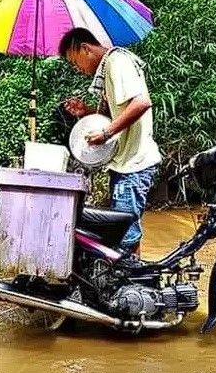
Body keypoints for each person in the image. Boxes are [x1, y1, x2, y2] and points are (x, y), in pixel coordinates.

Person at [59, 28, 162, 258]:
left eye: (76, 63)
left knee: (125, 236)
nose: (78, 69)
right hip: (125, 164)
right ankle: (136, 286)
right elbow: (117, 114)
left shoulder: (117, 62)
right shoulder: (109, 68)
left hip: (134, 165)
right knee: (126, 233)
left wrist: (106, 133)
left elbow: (141, 103)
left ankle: (131, 288)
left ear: (85, 49)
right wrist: (86, 112)